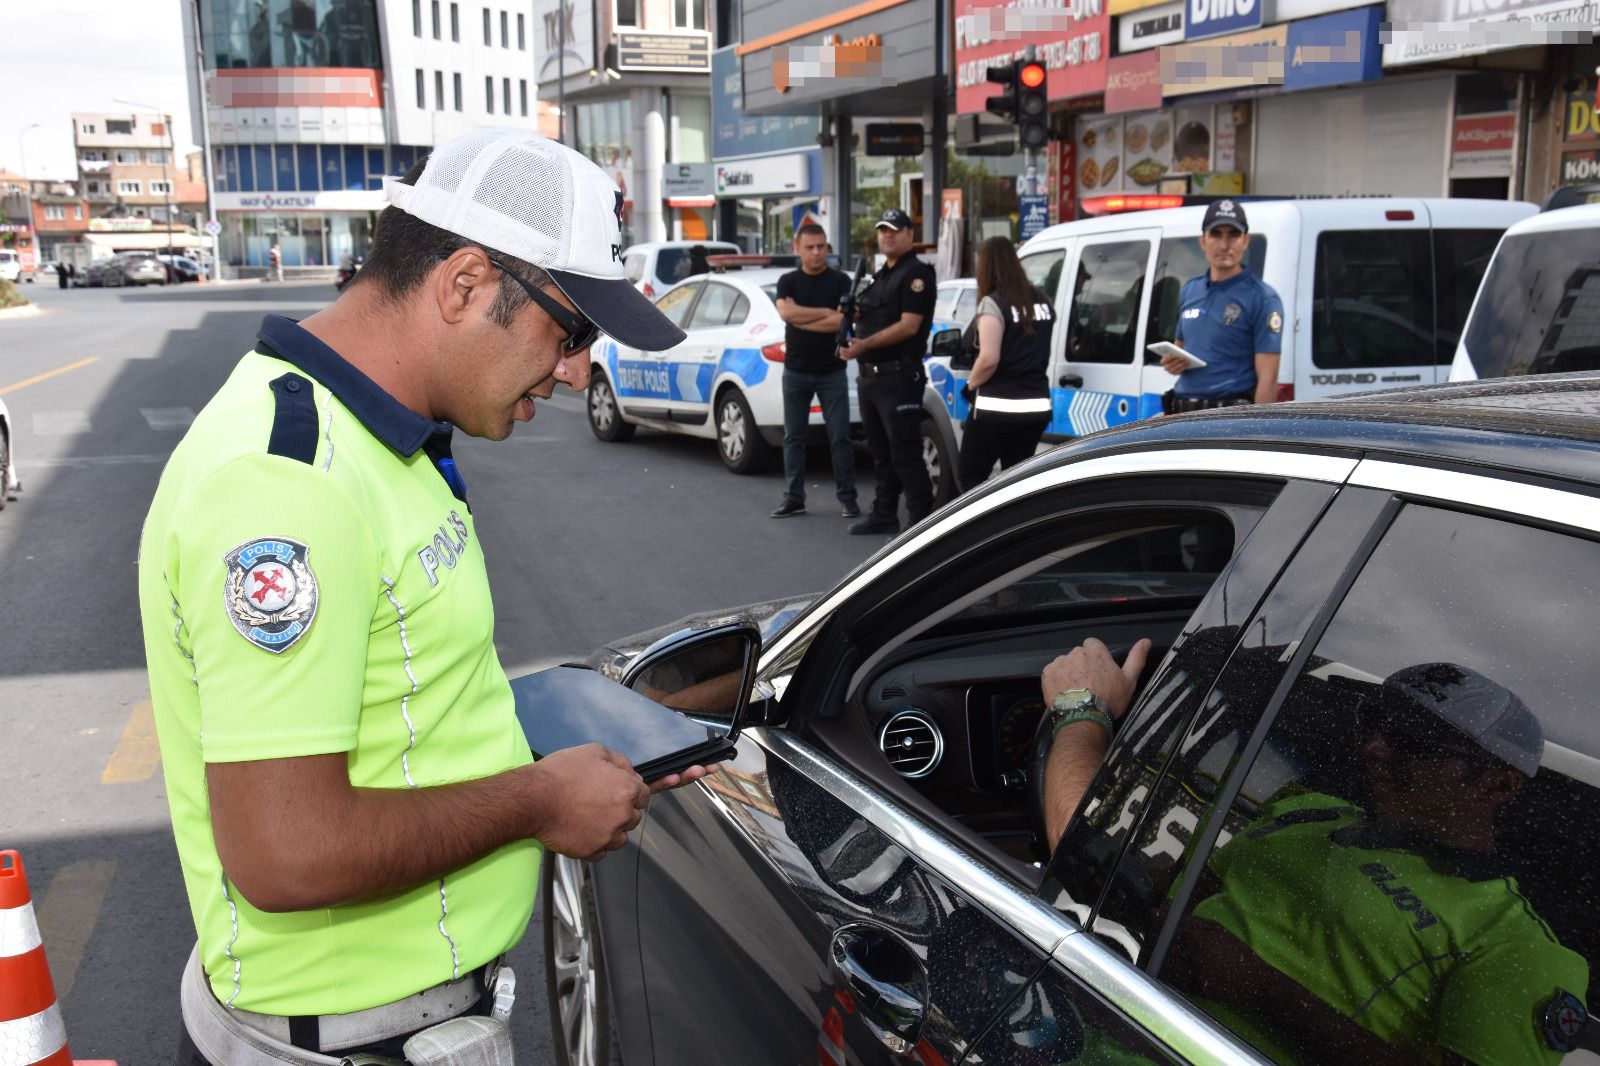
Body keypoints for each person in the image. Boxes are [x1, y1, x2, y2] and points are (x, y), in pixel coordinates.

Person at [137, 129, 707, 1066]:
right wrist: (538, 801)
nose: (575, 372)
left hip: (407, 1022)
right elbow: (285, 850)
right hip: (348, 1041)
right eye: (571, 333)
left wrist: (580, 739)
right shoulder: (289, 485)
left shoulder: (386, 438)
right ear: (466, 284)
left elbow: (408, 696)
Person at [1039, 644, 1591, 1065]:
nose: (1376, 748)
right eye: (1376, 723)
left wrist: (1264, 989)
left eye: (1416, 740)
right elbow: (1155, 900)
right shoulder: (1307, 810)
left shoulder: (1517, 946)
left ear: (1500, 784)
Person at [839, 208, 937, 535]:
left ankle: (922, 521)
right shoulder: (881, 275)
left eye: (894, 229)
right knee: (881, 453)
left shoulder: (916, 274)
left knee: (905, 452)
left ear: (910, 234)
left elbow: (909, 326)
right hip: (871, 376)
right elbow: (874, 315)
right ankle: (884, 513)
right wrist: (854, 313)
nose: (887, 235)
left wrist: (864, 344)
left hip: (898, 376)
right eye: (883, 230)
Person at [1160, 199, 1284, 412]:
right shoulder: (1190, 290)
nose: (1224, 245)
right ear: (1202, 241)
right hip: (1182, 413)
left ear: (1245, 241)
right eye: (1216, 234)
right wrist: (1172, 362)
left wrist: (1259, 428)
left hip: (1228, 417)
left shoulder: (1262, 297)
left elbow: (1268, 379)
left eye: (1233, 235)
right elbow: (1180, 347)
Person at [770, 222, 858, 520]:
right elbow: (785, 313)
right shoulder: (787, 281)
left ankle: (848, 498)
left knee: (840, 438)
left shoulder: (841, 281)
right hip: (795, 371)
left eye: (821, 246)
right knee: (793, 438)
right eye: (810, 247)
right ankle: (793, 498)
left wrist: (802, 319)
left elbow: (842, 322)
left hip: (832, 371)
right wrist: (824, 313)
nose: (817, 252)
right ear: (797, 249)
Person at [956, 236, 1054, 491]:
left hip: (996, 409)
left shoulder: (994, 303)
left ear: (986, 265)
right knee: (1017, 485)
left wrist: (970, 385)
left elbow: (988, 359)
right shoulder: (1043, 301)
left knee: (971, 478)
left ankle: (979, 520)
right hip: (1035, 408)